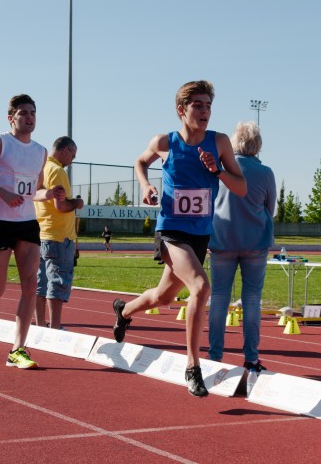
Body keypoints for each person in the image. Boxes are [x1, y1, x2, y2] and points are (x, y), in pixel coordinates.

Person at [111, 80, 247, 397]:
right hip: (171, 229)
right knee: (201, 286)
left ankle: (124, 310)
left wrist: (218, 172)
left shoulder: (220, 142)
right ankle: (192, 366)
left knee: (164, 297)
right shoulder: (166, 141)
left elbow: (240, 189)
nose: (204, 112)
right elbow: (140, 161)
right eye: (197, 105)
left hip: (200, 234)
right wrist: (145, 185)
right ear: (181, 110)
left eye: (208, 106)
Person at [0, 94, 63, 370]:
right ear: (11, 118)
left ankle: (17, 349)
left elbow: (35, 192)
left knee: (31, 285)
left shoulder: (41, 151)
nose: (29, 117)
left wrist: (49, 193)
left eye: (33, 112)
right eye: (23, 113)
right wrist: (2, 193)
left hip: (27, 223)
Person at [207, 121, 275, 374]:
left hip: (222, 239)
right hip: (255, 242)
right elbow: (270, 208)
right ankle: (251, 358)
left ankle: (214, 356)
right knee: (251, 299)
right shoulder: (266, 172)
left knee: (219, 297)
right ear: (257, 145)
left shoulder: (220, 171)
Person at [34, 137, 84, 330]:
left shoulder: (42, 169)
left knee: (40, 282)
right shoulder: (58, 172)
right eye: (73, 155)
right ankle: (55, 327)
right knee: (58, 281)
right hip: (59, 235)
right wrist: (77, 203)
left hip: (41, 233)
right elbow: (61, 206)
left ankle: (39, 324)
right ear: (65, 150)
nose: (72, 159)